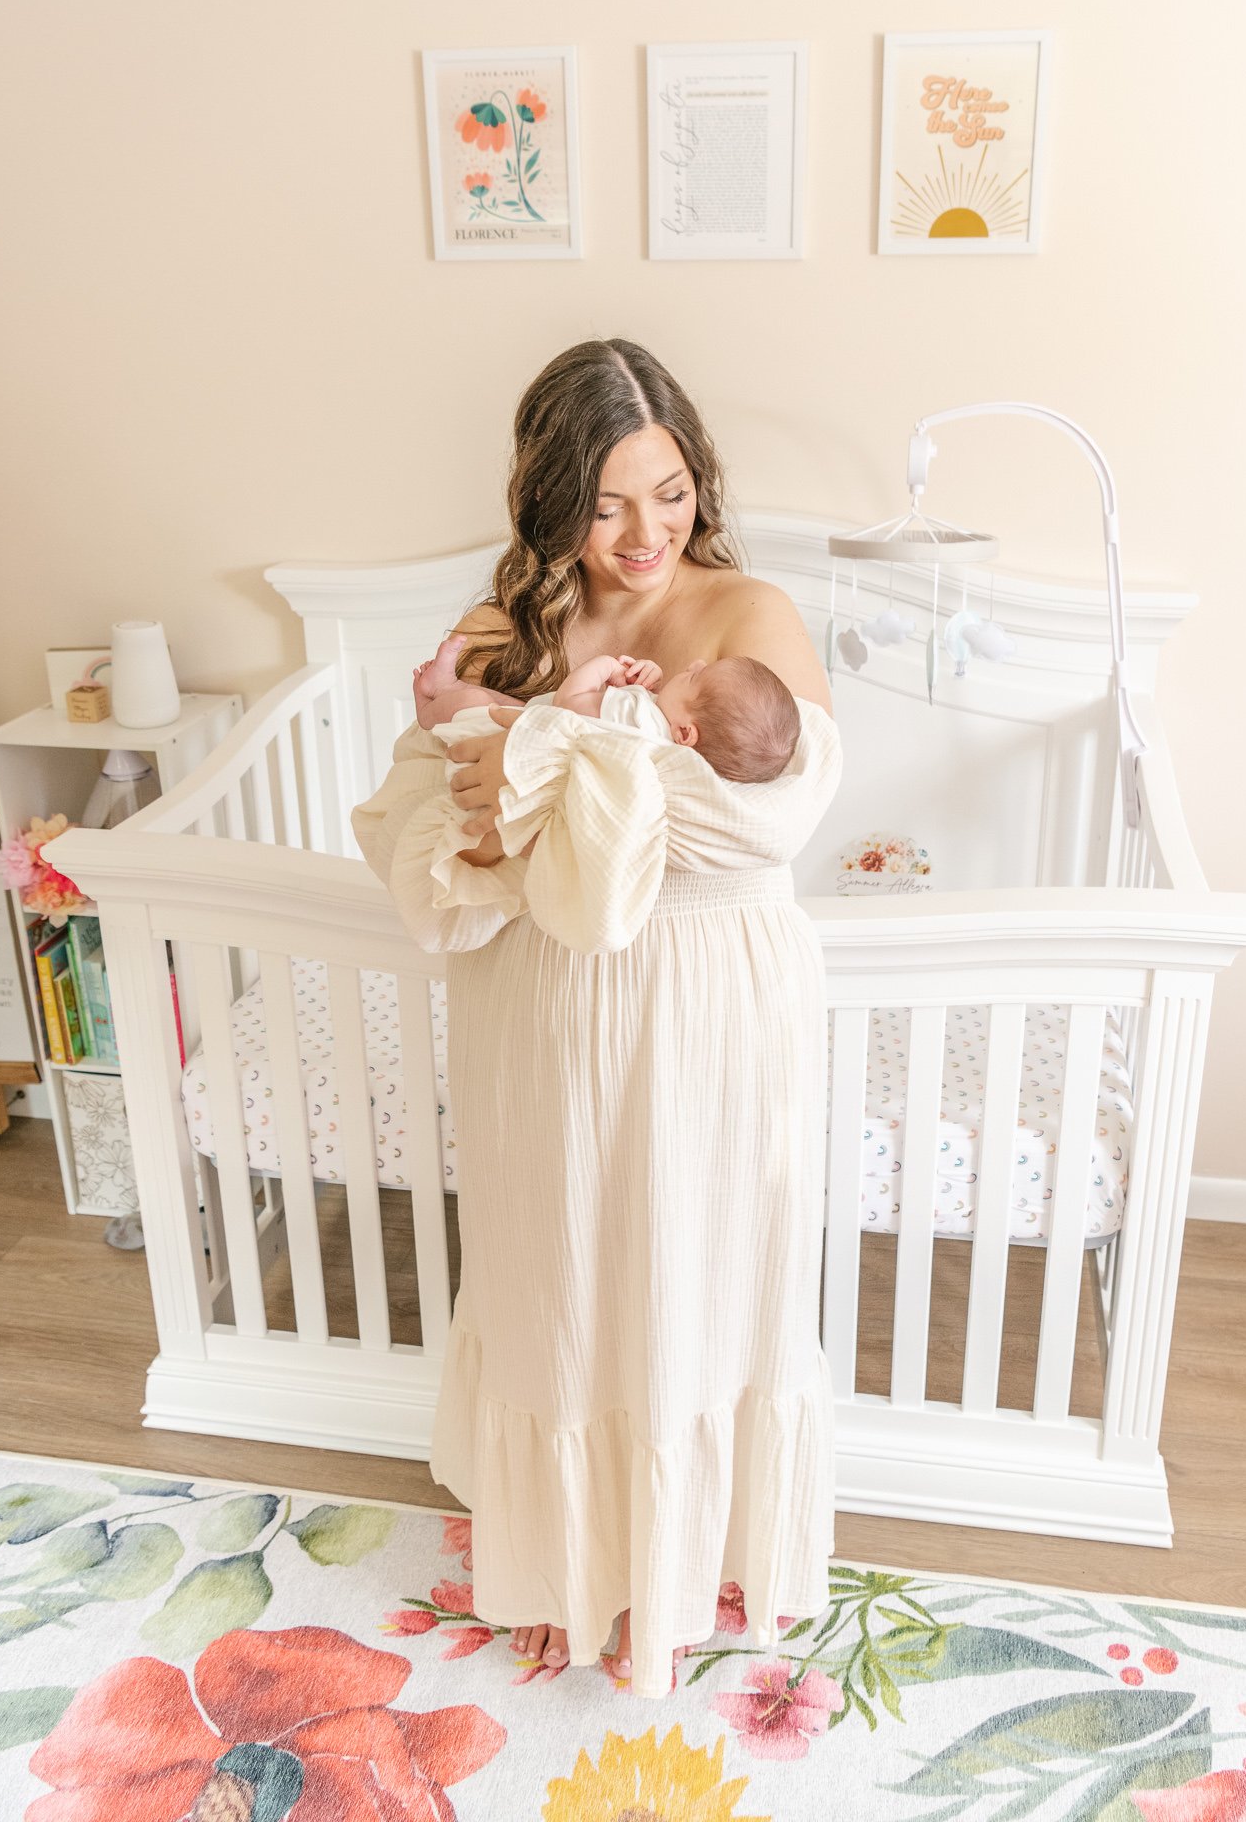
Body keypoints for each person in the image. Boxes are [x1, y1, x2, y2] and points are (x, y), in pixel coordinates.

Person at [350, 336, 843, 1699]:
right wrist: (528, 774)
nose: (644, 534)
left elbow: (756, 826)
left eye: (671, 492)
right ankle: (566, 1561)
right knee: (559, 1275)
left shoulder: (753, 617)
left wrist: (523, 773)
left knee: (694, 1271)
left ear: (701, 483)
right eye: (610, 500)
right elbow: (423, 810)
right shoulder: (518, 623)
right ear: (554, 494)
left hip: (706, 1007)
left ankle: (688, 1566)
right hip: (543, 1005)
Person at [412, 628, 803, 784]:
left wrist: (605, 667)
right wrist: (644, 683)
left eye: (696, 678)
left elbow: (572, 702)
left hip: (520, 730)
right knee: (500, 702)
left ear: (686, 733)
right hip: (531, 715)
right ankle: (445, 688)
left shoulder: (642, 718)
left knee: (475, 702)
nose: (696, 664)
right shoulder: (659, 734)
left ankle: (430, 708)